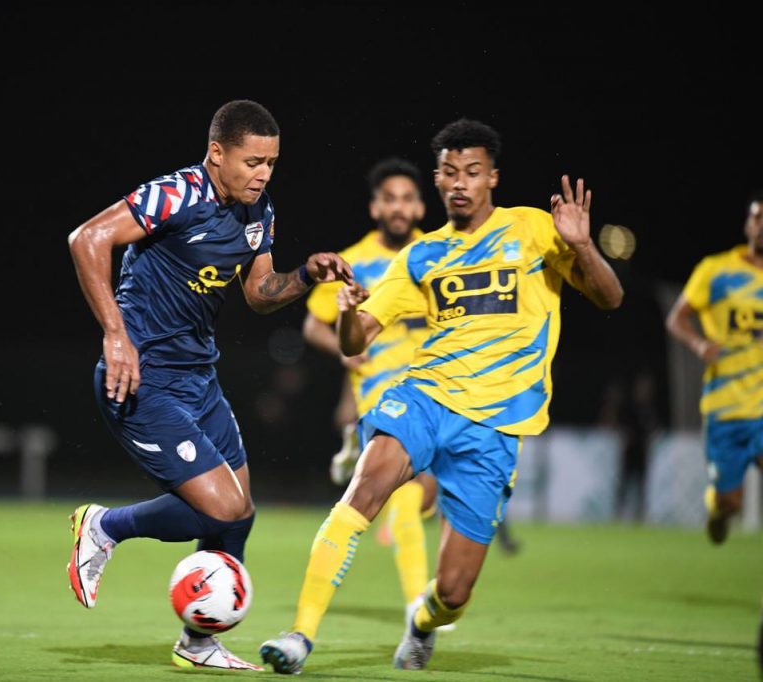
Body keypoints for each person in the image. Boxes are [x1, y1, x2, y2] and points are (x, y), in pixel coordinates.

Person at [260, 118, 623, 673]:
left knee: (453, 592)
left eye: (472, 172)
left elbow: (609, 297)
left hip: (497, 426)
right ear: (437, 178)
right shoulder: (422, 257)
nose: (460, 182)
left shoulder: (532, 229)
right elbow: (358, 341)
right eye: (450, 172)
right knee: (366, 487)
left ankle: (421, 621)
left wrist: (581, 246)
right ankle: (299, 636)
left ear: (492, 178)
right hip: (425, 398)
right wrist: (349, 316)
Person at [65, 99, 353, 671]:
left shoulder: (257, 210)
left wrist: (305, 276)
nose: (263, 173)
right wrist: (115, 335)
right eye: (252, 161)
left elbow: (259, 291)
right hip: (142, 378)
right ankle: (103, 525)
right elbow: (87, 239)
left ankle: (197, 645)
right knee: (221, 509)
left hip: (199, 378)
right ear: (217, 153)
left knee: (239, 513)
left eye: (271, 162)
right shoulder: (176, 193)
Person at [302, 157, 442, 619]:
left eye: (406, 199)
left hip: (437, 389)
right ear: (375, 207)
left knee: (427, 497)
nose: (398, 208)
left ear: (420, 206)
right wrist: (344, 349)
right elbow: (313, 326)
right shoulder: (354, 261)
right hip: (382, 393)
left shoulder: (439, 255)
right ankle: (417, 611)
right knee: (406, 500)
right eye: (389, 200)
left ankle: (353, 454)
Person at [665, 190, 763, 544]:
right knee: (730, 502)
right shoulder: (717, 270)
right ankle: (718, 508)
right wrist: (699, 343)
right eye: (758, 217)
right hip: (726, 407)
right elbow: (677, 319)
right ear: (748, 224)